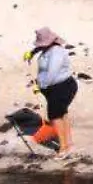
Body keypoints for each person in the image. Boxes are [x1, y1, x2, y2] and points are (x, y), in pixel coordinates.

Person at [23, 27, 77, 156]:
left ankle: (63, 148)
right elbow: (40, 48)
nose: (40, 46)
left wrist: (39, 85)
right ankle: (69, 143)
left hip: (61, 87)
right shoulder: (47, 48)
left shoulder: (56, 53)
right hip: (54, 88)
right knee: (62, 113)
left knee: (55, 116)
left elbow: (52, 74)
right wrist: (32, 52)